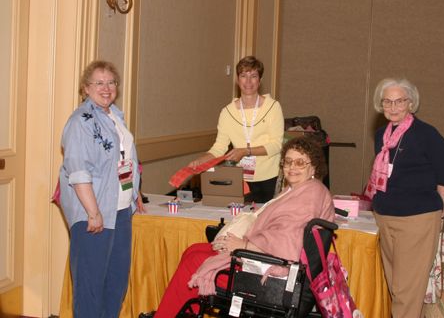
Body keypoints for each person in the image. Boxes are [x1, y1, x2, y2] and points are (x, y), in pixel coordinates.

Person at [141, 136, 335, 318]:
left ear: (314, 167)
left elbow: (288, 244)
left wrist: (243, 245)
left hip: (272, 278)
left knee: (195, 262)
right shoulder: (300, 189)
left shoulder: (309, 195)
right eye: (288, 161)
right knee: (193, 251)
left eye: (300, 162)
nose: (292, 167)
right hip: (271, 263)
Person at [58, 60, 144, 318]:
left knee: (115, 283)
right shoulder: (80, 121)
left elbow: (123, 161)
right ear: (85, 88)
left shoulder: (114, 115)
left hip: (119, 210)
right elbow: (78, 171)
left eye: (111, 82)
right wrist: (93, 212)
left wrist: (134, 194)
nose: (106, 88)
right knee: (90, 287)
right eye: (99, 83)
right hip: (94, 214)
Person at [364, 78, 444, 318]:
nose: (393, 107)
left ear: (411, 103)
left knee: (407, 289)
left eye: (399, 101)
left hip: (418, 218)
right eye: (387, 101)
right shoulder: (382, 134)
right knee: (395, 285)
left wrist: (440, 214)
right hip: (385, 215)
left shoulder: (426, 134)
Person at [189, 56, 284, 203]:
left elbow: (277, 145)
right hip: (240, 178)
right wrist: (200, 160)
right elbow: (219, 148)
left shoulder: (272, 107)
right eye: (243, 76)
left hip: (269, 177)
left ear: (259, 80)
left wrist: (246, 151)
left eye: (253, 76)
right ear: (238, 80)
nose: (248, 81)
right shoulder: (227, 112)